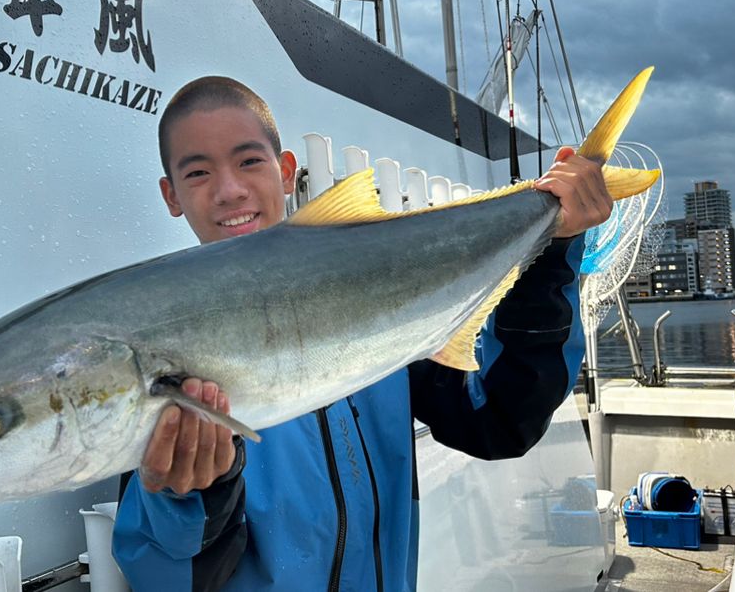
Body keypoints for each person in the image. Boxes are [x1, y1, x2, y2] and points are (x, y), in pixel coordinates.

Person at [112, 76, 613, 591]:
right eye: (198, 172)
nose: (230, 189)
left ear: (286, 173)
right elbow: (165, 578)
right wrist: (191, 497)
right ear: (171, 195)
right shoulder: (171, 356)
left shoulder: (381, 311)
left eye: (249, 161)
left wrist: (554, 250)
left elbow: (501, 422)